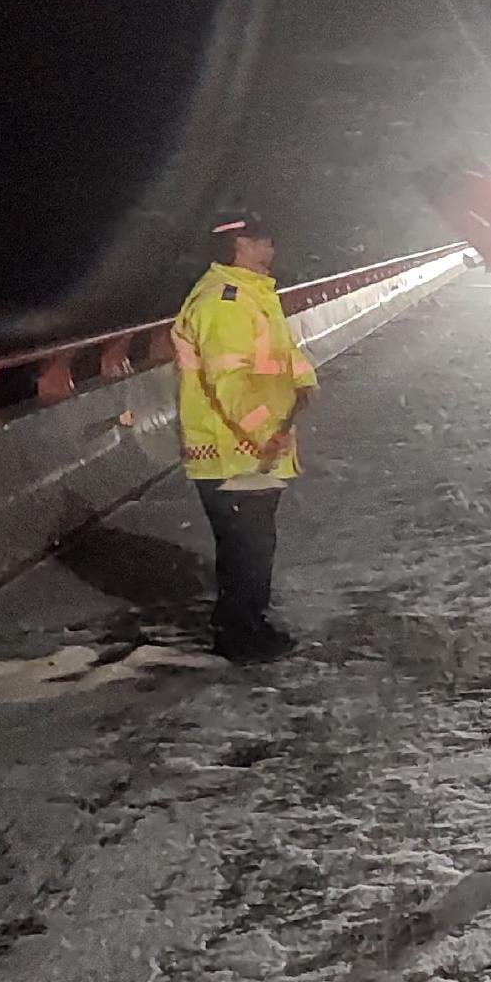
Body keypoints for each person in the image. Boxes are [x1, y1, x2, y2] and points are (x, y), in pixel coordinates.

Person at [172, 211, 317, 662]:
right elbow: (228, 381)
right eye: (263, 241)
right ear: (240, 246)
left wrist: (304, 380)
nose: (271, 250)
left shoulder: (251, 294)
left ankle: (249, 623)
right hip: (232, 449)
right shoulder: (225, 301)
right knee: (246, 547)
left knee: (252, 544)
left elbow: (279, 351)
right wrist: (265, 429)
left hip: (250, 446)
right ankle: (239, 636)